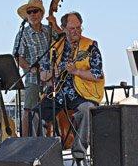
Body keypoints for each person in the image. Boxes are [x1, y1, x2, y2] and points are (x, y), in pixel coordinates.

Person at [36, 12, 105, 166]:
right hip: (58, 94)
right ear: (63, 28)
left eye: (79, 28)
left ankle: (79, 155)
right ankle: (39, 155)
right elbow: (43, 75)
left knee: (87, 110)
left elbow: (97, 74)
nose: (76, 31)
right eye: (72, 28)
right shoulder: (55, 47)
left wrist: (76, 71)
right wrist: (54, 72)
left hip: (82, 94)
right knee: (35, 113)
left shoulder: (90, 46)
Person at [13, 0, 61, 137]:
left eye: (35, 11)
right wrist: (32, 69)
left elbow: (64, 42)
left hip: (52, 77)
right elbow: (17, 57)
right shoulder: (24, 33)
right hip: (33, 78)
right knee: (29, 110)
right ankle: (25, 141)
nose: (33, 14)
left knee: (53, 109)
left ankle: (52, 140)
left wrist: (56, 25)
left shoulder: (49, 30)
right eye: (30, 12)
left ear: (41, 13)